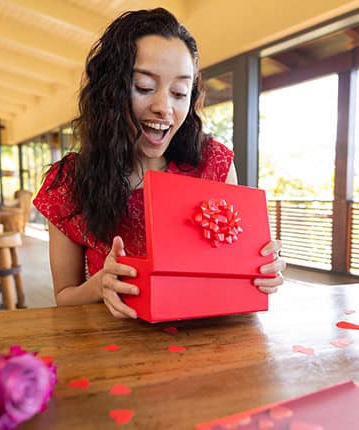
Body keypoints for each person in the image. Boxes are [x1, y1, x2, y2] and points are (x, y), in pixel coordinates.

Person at [33, 8, 286, 319]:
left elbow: (231, 275)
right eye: (144, 88)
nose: (164, 108)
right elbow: (64, 297)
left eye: (179, 92)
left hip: (204, 342)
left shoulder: (213, 164)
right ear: (109, 92)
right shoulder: (69, 181)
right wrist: (100, 285)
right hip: (114, 351)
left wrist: (259, 270)